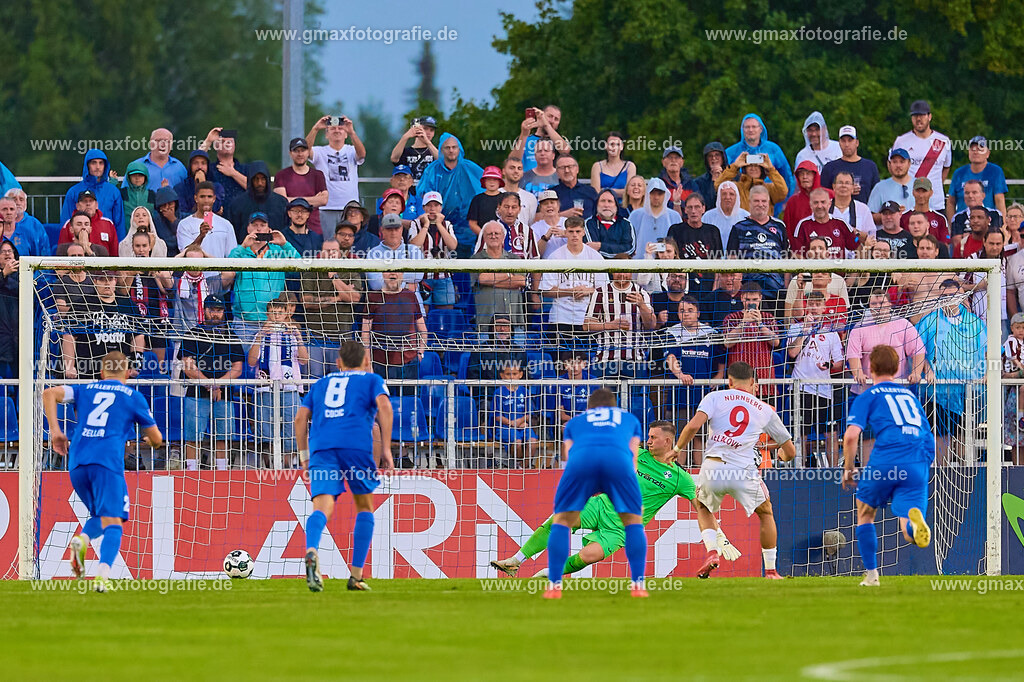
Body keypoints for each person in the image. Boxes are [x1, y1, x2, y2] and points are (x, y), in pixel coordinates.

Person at [492, 421, 742, 578]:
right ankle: (515, 561)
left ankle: (548, 573)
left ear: (668, 442)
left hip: (621, 529)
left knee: (588, 557)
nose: (648, 440)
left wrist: (719, 537)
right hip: (602, 505)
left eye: (653, 437)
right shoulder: (637, 454)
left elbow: (702, 508)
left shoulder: (681, 479)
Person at [44, 351, 162, 591]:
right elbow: (157, 438)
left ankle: (82, 540)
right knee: (115, 521)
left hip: (77, 463)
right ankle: (103, 576)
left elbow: (49, 393)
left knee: (102, 515)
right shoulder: (133, 396)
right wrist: (150, 441)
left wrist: (56, 432)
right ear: (128, 373)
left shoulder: (85, 389)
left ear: (101, 372)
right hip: (107, 462)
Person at [674, 361, 796, 579]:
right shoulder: (764, 409)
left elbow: (693, 426)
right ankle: (770, 571)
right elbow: (790, 450)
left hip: (713, 465)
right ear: (752, 382)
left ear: (729, 381)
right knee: (766, 513)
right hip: (743, 470)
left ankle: (712, 551)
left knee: (702, 506)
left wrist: (677, 449)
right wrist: (782, 456)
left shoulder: (714, 397)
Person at [295, 340, 394, 592]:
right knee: (364, 506)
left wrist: (304, 455)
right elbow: (384, 406)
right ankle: (356, 576)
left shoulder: (321, 383)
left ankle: (311, 549)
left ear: (338, 363)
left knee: (323, 506)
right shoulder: (372, 380)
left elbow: (299, 418)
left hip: (322, 448)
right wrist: (385, 448)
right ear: (365, 362)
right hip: (356, 447)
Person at [841, 344, 935, 587]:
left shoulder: (868, 396)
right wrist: (923, 466)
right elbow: (928, 437)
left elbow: (851, 436)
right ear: (898, 368)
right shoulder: (911, 397)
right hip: (916, 463)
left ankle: (872, 576)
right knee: (907, 526)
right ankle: (915, 527)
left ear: (870, 368)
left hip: (885, 462)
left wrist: (849, 469)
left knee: (865, 513)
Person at [542, 388, 648, 598]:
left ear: (589, 408)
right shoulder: (629, 419)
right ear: (614, 406)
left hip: (582, 463)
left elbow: (569, 454)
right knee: (634, 521)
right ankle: (638, 586)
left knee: (562, 522)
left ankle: (554, 587)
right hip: (618, 464)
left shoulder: (574, 422)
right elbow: (633, 458)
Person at [915, 279, 986, 463]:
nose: (948, 300)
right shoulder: (929, 321)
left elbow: (990, 348)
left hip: (967, 392)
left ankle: (963, 470)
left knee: (964, 435)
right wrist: (927, 369)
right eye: (944, 297)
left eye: (952, 296)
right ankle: (941, 470)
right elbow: (917, 349)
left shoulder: (974, 322)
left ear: (960, 297)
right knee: (940, 436)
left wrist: (987, 373)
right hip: (937, 391)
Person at [178, 294, 244, 470]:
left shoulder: (231, 336)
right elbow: (188, 366)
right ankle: (192, 470)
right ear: (204, 310)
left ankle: (221, 471)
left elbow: (238, 367)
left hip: (224, 394)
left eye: (219, 310)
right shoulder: (192, 334)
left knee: (223, 436)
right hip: (196, 393)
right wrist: (210, 384)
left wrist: (218, 384)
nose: (215, 314)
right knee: (193, 436)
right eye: (212, 310)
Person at [248, 293, 308, 465]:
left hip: (289, 387)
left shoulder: (292, 334)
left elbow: (304, 360)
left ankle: (289, 468)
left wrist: (299, 337)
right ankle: (269, 467)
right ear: (267, 315)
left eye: (279, 313)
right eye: (272, 313)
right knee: (264, 431)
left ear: (285, 314)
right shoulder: (260, 334)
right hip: (265, 388)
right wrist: (260, 336)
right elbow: (252, 362)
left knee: (292, 430)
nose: (276, 316)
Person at [787, 291, 845, 465]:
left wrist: (827, 365)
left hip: (824, 390)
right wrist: (804, 332)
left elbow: (839, 364)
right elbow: (792, 353)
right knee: (801, 433)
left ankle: (833, 472)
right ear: (806, 305)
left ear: (824, 307)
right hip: (801, 389)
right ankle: (800, 470)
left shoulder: (831, 332)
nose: (814, 307)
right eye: (811, 303)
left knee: (830, 432)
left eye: (818, 304)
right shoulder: (796, 328)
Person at [223, 213, 301, 342]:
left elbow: (300, 266)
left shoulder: (279, 251)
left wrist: (284, 243)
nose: (258, 229)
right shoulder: (239, 250)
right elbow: (226, 269)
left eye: (262, 225)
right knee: (243, 360)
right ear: (248, 229)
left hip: (273, 320)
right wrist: (243, 246)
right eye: (254, 225)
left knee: (270, 361)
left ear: (269, 229)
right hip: (244, 321)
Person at [661, 297, 726, 445]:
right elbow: (670, 358)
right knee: (680, 439)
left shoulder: (710, 333)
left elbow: (721, 359)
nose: (686, 314)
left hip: (704, 396)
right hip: (679, 394)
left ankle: (701, 469)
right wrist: (680, 375)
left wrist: (719, 376)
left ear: (698, 313)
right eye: (682, 311)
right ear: (678, 314)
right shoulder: (672, 332)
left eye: (690, 310)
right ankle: (680, 468)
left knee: (701, 439)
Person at [539, 218, 607, 352]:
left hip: (588, 319)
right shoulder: (555, 257)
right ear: (566, 232)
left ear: (583, 233)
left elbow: (605, 289)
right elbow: (545, 290)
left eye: (577, 231)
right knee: (560, 363)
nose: (574, 235)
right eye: (571, 231)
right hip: (561, 318)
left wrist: (589, 290)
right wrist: (571, 291)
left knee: (586, 363)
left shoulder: (595, 257)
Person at [61, 272, 144, 380]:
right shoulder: (82, 305)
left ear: (115, 281)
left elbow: (138, 336)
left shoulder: (127, 305)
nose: (107, 284)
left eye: (110, 279)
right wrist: (70, 366)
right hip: (88, 371)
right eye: (102, 280)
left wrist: (136, 364)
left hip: (120, 371)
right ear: (95, 281)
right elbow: (69, 336)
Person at [300, 239, 363, 376]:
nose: (330, 254)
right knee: (313, 381)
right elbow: (307, 301)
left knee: (342, 379)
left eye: (333, 251)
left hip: (342, 339)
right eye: (327, 251)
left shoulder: (350, 271)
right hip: (315, 338)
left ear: (340, 253)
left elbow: (355, 298)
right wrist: (339, 297)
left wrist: (334, 277)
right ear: (321, 253)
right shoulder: (311, 272)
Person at [416, 133, 483, 257]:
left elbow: (489, 184)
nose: (451, 150)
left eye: (454, 147)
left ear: (459, 149)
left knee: (467, 267)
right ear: (441, 150)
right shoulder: (432, 170)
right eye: (447, 147)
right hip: (440, 226)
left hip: (468, 229)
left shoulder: (469, 167)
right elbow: (424, 194)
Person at [361, 271, 426, 399]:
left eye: (397, 271)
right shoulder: (373, 297)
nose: (393, 275)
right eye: (389, 272)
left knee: (410, 403)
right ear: (382, 274)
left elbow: (422, 329)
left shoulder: (410, 296)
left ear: (402, 274)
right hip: (381, 363)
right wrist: (368, 363)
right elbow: (365, 333)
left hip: (408, 363)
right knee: (381, 404)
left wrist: (420, 352)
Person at [584, 272, 656, 379]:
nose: (622, 274)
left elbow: (651, 325)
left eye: (625, 271)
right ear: (612, 272)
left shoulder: (641, 293)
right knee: (604, 396)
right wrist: (610, 325)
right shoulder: (600, 293)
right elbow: (587, 326)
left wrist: (642, 305)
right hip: (606, 359)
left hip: (635, 360)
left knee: (634, 396)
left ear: (631, 272)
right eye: (618, 271)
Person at [727, 186, 789, 303]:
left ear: (769, 202)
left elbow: (786, 259)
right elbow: (732, 260)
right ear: (749, 202)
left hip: (776, 291)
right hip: (749, 292)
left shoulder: (779, 227)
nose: (760, 204)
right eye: (756, 201)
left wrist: (785, 287)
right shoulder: (739, 228)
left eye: (764, 201)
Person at [306, 114, 367, 234]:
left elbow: (362, 154)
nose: (337, 130)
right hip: (326, 207)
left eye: (340, 128)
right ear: (327, 134)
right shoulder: (320, 151)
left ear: (345, 134)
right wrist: (315, 128)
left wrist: (352, 132)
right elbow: (304, 151)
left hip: (349, 207)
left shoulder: (351, 150)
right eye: (332, 128)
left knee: (349, 242)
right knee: (328, 243)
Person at [722, 283, 781, 402]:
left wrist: (760, 324)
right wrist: (743, 323)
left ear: (760, 298)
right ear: (741, 298)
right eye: (747, 300)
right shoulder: (731, 318)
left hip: (764, 381)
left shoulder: (768, 318)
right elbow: (727, 343)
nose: (751, 303)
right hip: (738, 381)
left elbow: (776, 342)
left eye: (754, 299)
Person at [724, 113, 795, 210]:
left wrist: (787, 200)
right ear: (742, 129)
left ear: (761, 129)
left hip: (768, 199)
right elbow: (721, 179)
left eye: (754, 126)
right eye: (747, 127)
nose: (751, 130)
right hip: (740, 201)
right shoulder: (731, 152)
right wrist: (735, 166)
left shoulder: (773, 149)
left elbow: (786, 174)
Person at [892, 100, 952, 213]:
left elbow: (946, 166)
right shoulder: (901, 141)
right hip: (908, 202)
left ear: (929, 117)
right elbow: (892, 165)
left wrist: (935, 184)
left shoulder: (943, 141)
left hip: (935, 202)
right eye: (915, 116)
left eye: (922, 115)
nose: (918, 119)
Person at [472, 222, 528, 329]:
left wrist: (492, 281)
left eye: (497, 233)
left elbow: (521, 281)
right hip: (486, 322)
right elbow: (483, 279)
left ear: (503, 236)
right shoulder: (476, 259)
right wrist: (509, 274)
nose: (493, 236)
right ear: (484, 237)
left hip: (514, 322)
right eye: (490, 234)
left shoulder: (515, 259)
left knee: (518, 345)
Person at [669, 193, 724, 301]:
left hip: (708, 287)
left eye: (697, 207)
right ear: (685, 210)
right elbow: (671, 259)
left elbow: (718, 263)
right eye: (690, 207)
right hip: (684, 288)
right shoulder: (676, 230)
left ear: (703, 209)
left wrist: (715, 289)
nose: (693, 211)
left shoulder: (713, 231)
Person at [408, 191, 458, 308]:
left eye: (436, 205)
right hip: (423, 277)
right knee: (423, 311)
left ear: (441, 207)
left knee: (446, 311)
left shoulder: (447, 224)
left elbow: (452, 246)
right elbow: (414, 246)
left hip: (443, 276)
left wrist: (439, 224)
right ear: (424, 207)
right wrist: (425, 225)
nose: (432, 208)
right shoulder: (416, 224)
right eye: (429, 205)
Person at [60, 149, 124, 238]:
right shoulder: (73, 192)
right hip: (79, 244)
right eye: (94, 163)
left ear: (105, 166)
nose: (98, 167)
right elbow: (66, 222)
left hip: (105, 242)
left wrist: (119, 248)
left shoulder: (113, 191)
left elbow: (119, 223)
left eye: (101, 163)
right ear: (87, 165)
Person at [274, 137, 329, 235]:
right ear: (290, 153)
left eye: (303, 150)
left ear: (308, 152)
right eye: (296, 151)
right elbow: (282, 202)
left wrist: (292, 200)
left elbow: (323, 200)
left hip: (314, 229)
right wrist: (313, 200)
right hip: (289, 230)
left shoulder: (318, 175)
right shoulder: (281, 175)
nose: (300, 154)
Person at [491, 358, 540, 469]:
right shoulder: (499, 392)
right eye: (508, 374)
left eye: (515, 373)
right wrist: (513, 423)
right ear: (502, 375)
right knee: (517, 442)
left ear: (521, 374)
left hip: (522, 425)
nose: (512, 377)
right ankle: (518, 465)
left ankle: (524, 467)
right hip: (504, 427)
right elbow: (497, 416)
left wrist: (519, 422)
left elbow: (528, 414)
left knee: (533, 441)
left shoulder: (525, 391)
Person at [947, 136, 1008, 220]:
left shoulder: (995, 171)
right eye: (972, 149)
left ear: (988, 153)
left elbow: (1000, 201)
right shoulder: (959, 173)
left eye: (980, 149)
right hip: (963, 223)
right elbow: (950, 202)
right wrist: (952, 225)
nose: (975, 152)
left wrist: (1002, 225)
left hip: (988, 222)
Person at [791, 187, 862, 258]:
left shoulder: (841, 223)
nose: (819, 206)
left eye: (823, 202)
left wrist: (857, 236)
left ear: (829, 204)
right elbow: (797, 254)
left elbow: (856, 244)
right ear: (810, 205)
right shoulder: (803, 225)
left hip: (838, 268)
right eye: (816, 202)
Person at [365, 213, 425, 296]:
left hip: (411, 304)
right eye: (389, 229)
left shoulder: (413, 250)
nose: (393, 232)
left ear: (401, 229)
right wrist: (406, 285)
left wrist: (386, 276)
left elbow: (418, 275)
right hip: (384, 304)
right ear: (382, 230)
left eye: (396, 229)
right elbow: (375, 284)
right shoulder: (373, 253)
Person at [819, 125, 880, 204]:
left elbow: (877, 195)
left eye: (850, 140)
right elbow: (823, 195)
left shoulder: (870, 167)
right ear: (839, 143)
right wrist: (844, 191)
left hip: (864, 214)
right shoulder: (830, 168)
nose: (846, 144)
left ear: (857, 142)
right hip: (836, 214)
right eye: (843, 141)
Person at [228, 162, 288, 242]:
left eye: (263, 178)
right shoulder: (237, 204)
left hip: (275, 251)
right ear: (250, 180)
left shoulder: (281, 203)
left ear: (267, 180)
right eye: (256, 179)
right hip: (245, 251)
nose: (260, 183)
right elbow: (232, 235)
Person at [175, 182, 238, 258]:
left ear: (214, 199)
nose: (206, 200)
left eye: (209, 197)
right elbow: (185, 254)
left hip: (219, 269)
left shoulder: (226, 225)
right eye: (202, 197)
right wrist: (201, 236)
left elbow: (232, 256)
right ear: (196, 198)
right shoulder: (184, 224)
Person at [716, 151, 788, 213]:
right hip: (740, 227)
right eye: (750, 165)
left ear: (762, 169)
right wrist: (735, 166)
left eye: (757, 166)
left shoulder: (769, 189)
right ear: (745, 168)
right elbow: (718, 186)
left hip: (762, 227)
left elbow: (783, 192)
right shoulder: (736, 188)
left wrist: (771, 169)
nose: (753, 168)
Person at [950, 179, 1004, 252]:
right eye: (967, 193)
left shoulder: (995, 214)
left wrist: (969, 237)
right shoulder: (958, 217)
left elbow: (997, 239)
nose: (970, 196)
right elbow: (958, 244)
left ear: (983, 195)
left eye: (974, 192)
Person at [781, 160, 829, 241]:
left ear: (815, 175)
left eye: (808, 173)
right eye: (801, 174)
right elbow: (787, 229)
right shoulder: (793, 201)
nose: (804, 177)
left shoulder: (828, 196)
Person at [514, 105, 570, 173]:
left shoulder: (561, 140)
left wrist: (546, 125)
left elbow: (565, 152)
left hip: (552, 182)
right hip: (527, 181)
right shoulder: (524, 138)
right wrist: (524, 133)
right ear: (540, 117)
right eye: (550, 116)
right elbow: (512, 160)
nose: (552, 121)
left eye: (556, 119)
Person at [201, 127, 249, 208]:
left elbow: (255, 189)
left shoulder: (245, 169)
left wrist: (233, 173)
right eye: (222, 141)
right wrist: (208, 141)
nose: (227, 144)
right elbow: (196, 162)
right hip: (215, 216)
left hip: (241, 216)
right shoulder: (210, 169)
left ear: (234, 145)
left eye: (230, 142)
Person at [583, 189, 636, 258]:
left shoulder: (626, 224)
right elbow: (591, 251)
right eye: (603, 201)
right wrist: (617, 250)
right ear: (597, 204)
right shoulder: (588, 224)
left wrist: (601, 246)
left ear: (616, 205)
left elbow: (629, 249)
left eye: (610, 201)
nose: (606, 205)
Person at [829, 171, 874, 251]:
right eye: (840, 182)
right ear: (834, 186)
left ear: (853, 188)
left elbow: (871, 237)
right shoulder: (824, 207)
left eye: (847, 183)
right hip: (829, 255)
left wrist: (855, 233)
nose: (843, 186)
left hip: (856, 257)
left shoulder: (863, 209)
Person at [629, 178, 674, 258]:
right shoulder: (635, 215)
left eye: (660, 194)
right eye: (653, 193)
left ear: (665, 194)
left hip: (667, 263)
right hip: (639, 264)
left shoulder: (674, 216)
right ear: (647, 194)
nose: (656, 197)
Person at [867, 148, 915, 223]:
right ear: (889, 164)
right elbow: (870, 216)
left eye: (902, 162)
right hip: (889, 233)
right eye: (895, 162)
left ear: (909, 164)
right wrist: (891, 214)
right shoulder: (880, 187)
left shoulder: (919, 185)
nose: (898, 165)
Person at [174, 150, 225, 218]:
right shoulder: (180, 187)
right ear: (190, 166)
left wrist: (203, 184)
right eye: (195, 163)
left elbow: (216, 208)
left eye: (203, 163)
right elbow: (181, 214)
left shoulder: (217, 187)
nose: (200, 167)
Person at [899, 178, 950, 245]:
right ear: (913, 192)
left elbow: (945, 244)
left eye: (924, 191)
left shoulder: (940, 218)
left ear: (931, 193)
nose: (921, 195)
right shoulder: (903, 217)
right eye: (918, 191)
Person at [389, 115, 439, 180]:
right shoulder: (406, 151)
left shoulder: (435, 150)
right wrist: (405, 137)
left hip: (429, 189)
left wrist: (427, 142)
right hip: (410, 189)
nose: (428, 132)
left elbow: (442, 161)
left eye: (432, 130)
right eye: (425, 128)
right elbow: (394, 158)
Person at [703, 180, 749, 249]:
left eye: (731, 194)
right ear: (719, 196)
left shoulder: (745, 216)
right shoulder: (708, 216)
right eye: (724, 194)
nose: (727, 197)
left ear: (736, 197)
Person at [589, 132, 635, 198]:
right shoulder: (597, 166)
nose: (614, 147)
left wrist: (605, 190)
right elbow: (595, 192)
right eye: (611, 144)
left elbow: (629, 192)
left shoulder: (630, 166)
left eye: (618, 144)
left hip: (623, 206)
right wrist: (620, 192)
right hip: (603, 205)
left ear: (622, 147)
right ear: (606, 146)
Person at [555, 155, 598, 220]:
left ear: (577, 169)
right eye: (562, 167)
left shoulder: (590, 191)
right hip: (561, 229)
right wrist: (562, 215)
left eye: (570, 167)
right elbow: (539, 218)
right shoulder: (552, 194)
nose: (566, 170)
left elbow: (600, 214)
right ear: (557, 172)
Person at [466, 165, 504, 238]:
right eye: (489, 179)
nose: (492, 182)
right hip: (482, 240)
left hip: (503, 240)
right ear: (484, 181)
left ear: (499, 182)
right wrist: (485, 236)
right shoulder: (477, 199)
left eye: (495, 179)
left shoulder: (505, 199)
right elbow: (472, 223)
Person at [502, 155, 537, 226]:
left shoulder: (530, 198)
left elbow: (531, 223)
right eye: (512, 168)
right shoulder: (496, 194)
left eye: (519, 168)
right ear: (503, 171)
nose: (516, 171)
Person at [658, 146, 696, 211]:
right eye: (670, 157)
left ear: (682, 162)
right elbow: (656, 206)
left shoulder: (691, 184)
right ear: (663, 162)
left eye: (677, 157)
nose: (673, 160)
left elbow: (697, 205)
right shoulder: (658, 184)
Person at [531, 189, 567, 256]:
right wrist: (545, 238)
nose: (549, 206)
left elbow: (580, 244)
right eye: (545, 204)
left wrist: (566, 233)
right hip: (546, 264)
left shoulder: (568, 222)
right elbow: (536, 254)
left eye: (552, 202)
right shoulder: (535, 228)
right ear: (540, 208)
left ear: (558, 206)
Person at [693, 142, 727, 208]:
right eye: (710, 156)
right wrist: (713, 181)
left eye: (717, 155)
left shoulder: (734, 177)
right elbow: (706, 205)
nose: (714, 158)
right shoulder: (699, 182)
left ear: (723, 157)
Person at [153, 187, 181, 256]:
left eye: (170, 204)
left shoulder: (185, 218)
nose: (167, 208)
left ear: (175, 204)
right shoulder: (155, 222)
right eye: (163, 205)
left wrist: (173, 220)